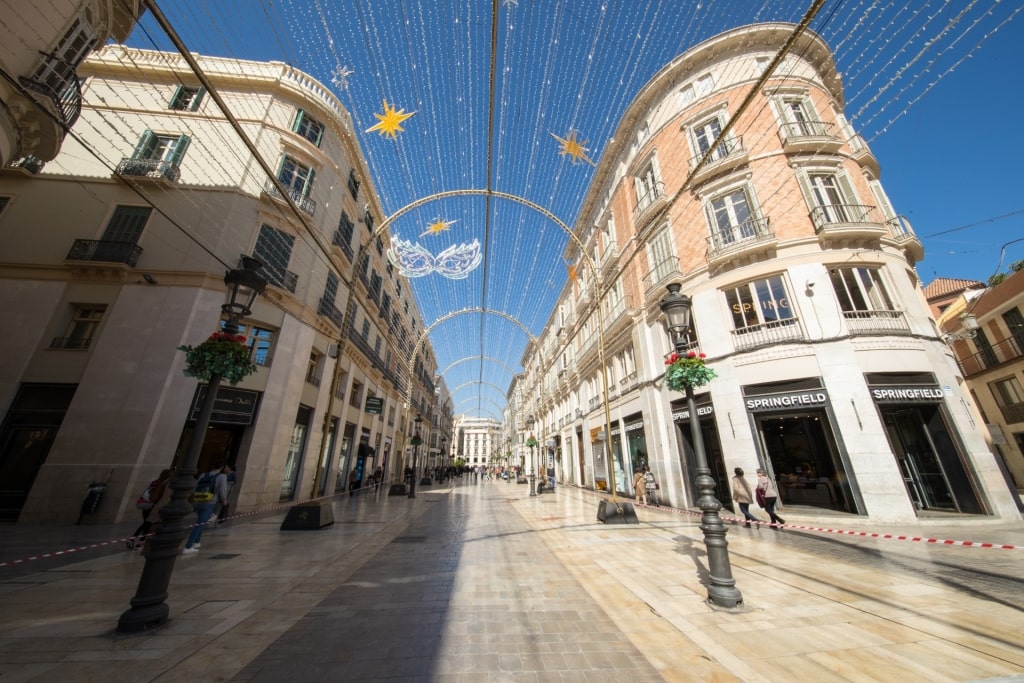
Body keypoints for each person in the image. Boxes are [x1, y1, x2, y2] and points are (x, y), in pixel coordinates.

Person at [183, 462, 229, 555]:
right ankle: (188, 546)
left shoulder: (204, 474)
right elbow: (223, 489)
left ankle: (196, 543)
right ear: (222, 467)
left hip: (198, 500)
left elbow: (196, 486)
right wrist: (224, 500)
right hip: (209, 502)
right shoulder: (221, 476)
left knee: (200, 522)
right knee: (199, 524)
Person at [128, 468, 172, 549]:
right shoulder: (166, 484)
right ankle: (141, 542)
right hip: (153, 506)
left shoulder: (155, 482)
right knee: (148, 525)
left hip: (146, 505)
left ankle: (133, 539)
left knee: (145, 523)